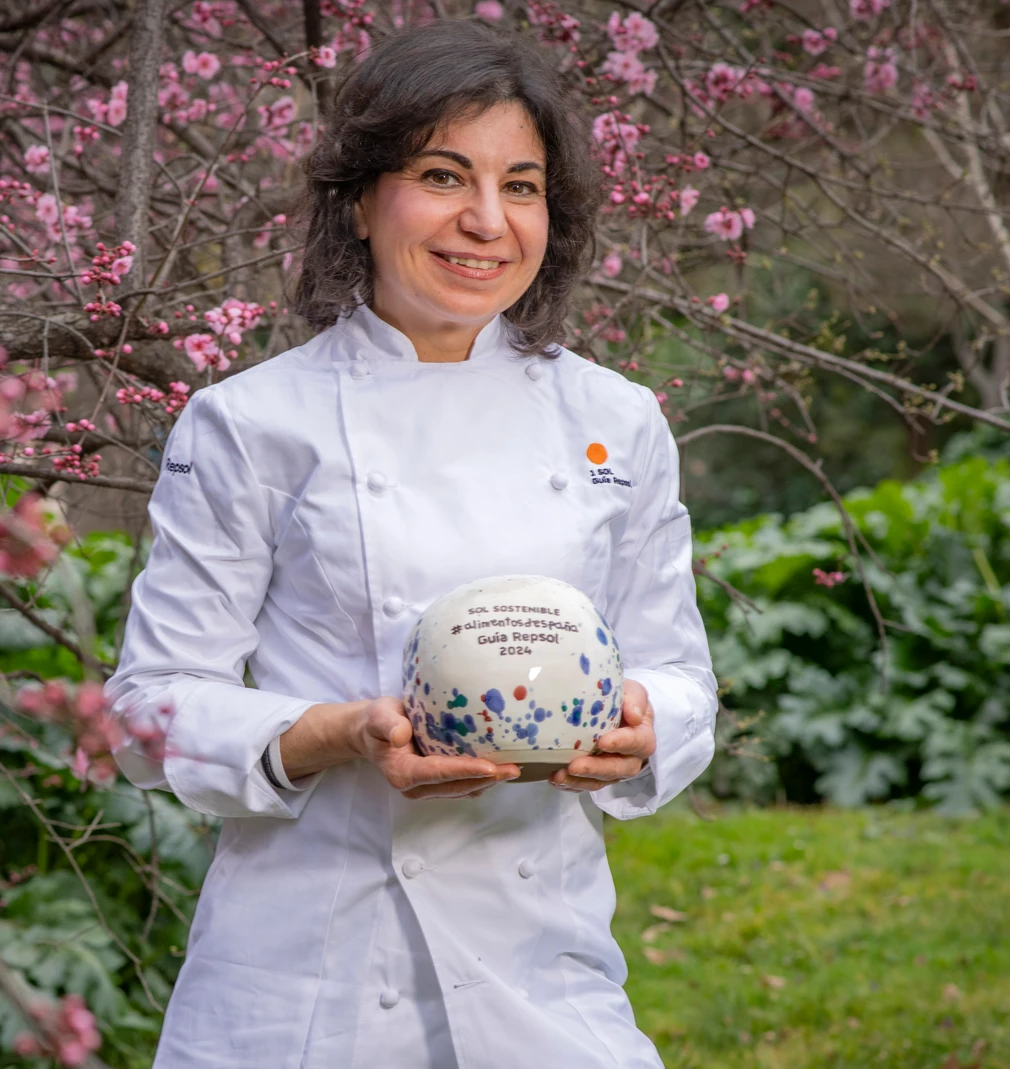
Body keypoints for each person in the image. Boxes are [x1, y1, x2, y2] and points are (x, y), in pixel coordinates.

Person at [105, 19, 716, 1069]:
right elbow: (147, 709)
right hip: (314, 977)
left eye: (520, 186)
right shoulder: (251, 422)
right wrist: (340, 733)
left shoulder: (614, 418)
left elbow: (679, 673)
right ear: (358, 195)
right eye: (443, 175)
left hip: (544, 963)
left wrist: (640, 725)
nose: (485, 221)